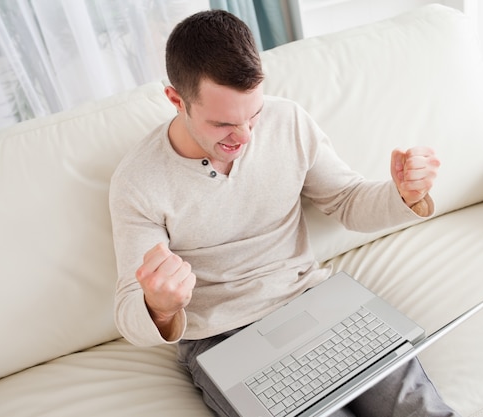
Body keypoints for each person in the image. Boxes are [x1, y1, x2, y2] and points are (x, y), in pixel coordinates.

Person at [109, 9, 455, 417]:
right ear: (175, 100)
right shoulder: (138, 181)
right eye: (223, 124)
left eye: (253, 115)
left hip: (314, 300)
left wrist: (403, 194)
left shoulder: (287, 120)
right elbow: (128, 309)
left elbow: (345, 200)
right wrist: (160, 306)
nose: (246, 136)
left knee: (422, 411)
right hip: (223, 341)